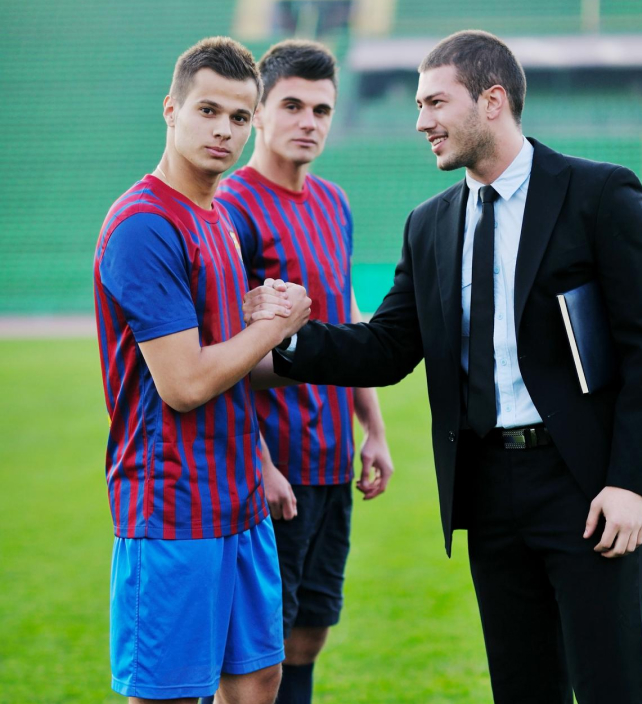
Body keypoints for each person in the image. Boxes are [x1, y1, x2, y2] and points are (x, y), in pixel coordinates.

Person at [249, 30, 642, 704]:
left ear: (492, 100)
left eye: (435, 103)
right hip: (488, 488)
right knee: (522, 689)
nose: (421, 122)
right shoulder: (430, 224)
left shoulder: (598, 194)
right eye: (419, 106)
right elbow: (389, 347)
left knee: (612, 684)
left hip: (587, 484)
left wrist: (629, 482)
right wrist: (283, 340)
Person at [93, 37, 312, 704]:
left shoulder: (216, 218)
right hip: (171, 508)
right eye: (208, 111)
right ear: (172, 109)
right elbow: (185, 384)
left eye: (240, 117)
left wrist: (299, 343)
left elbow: (237, 364)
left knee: (258, 680)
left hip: (237, 500)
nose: (224, 131)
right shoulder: (144, 225)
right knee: (169, 695)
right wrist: (272, 326)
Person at [201, 40, 393, 704]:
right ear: (258, 111)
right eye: (292, 105)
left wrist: (373, 428)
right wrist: (259, 464)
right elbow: (221, 350)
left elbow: (345, 322)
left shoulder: (333, 202)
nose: (308, 121)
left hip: (332, 462)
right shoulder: (232, 208)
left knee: (310, 633)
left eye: (322, 109)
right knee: (257, 654)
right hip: (270, 470)